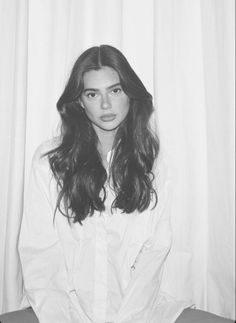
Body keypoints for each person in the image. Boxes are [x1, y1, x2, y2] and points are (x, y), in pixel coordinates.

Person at [8, 45, 232, 323]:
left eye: (115, 91)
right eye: (92, 94)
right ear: (79, 101)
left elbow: (154, 252)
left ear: (130, 94)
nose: (105, 105)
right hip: (64, 310)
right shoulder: (50, 162)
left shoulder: (152, 162)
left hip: (140, 310)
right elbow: (40, 254)